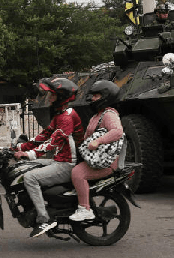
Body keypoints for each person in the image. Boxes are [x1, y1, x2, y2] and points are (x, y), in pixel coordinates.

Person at [14, 77, 82, 237]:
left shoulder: (66, 118)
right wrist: (18, 147)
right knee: (25, 167)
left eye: (52, 95)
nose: (49, 98)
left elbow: (52, 142)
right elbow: (44, 135)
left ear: (61, 97)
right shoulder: (61, 115)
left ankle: (44, 218)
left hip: (67, 164)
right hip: (60, 159)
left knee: (30, 178)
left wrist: (29, 154)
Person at [69, 80, 124, 222]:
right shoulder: (96, 116)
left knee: (77, 174)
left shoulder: (109, 114)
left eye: (96, 96)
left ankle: (85, 209)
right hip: (92, 159)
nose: (92, 99)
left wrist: (98, 141)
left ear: (106, 96)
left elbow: (117, 131)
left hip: (104, 163)